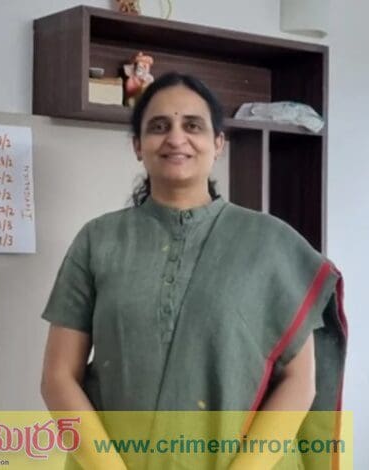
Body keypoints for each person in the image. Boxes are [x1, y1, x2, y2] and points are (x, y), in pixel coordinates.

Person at [40, 72, 347, 469]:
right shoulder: (98, 240)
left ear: (218, 143)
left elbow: (299, 381)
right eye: (158, 127)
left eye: (193, 125)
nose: (176, 138)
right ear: (138, 146)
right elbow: (58, 377)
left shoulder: (271, 244)